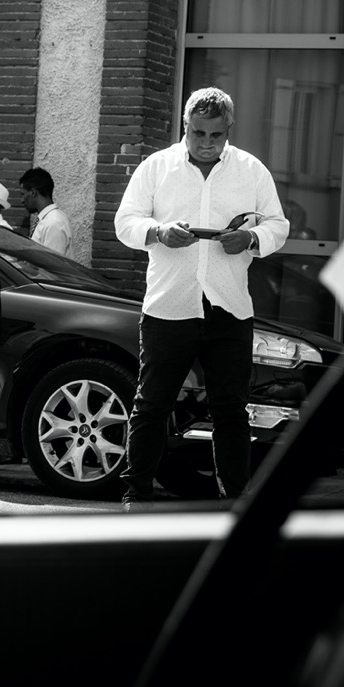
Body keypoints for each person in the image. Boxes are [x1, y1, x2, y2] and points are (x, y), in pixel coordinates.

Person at [113, 86, 288, 504]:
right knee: (151, 405)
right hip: (168, 306)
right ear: (185, 126)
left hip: (230, 308)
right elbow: (125, 222)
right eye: (198, 133)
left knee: (231, 411)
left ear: (229, 128)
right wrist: (158, 232)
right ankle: (135, 498)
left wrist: (250, 238)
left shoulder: (251, 170)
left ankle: (234, 503)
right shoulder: (157, 167)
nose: (207, 143)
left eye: (216, 135)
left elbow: (278, 226)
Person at [19, 167, 71, 255]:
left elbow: (52, 262)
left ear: (33, 192)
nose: (22, 200)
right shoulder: (48, 220)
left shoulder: (53, 223)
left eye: (23, 194)